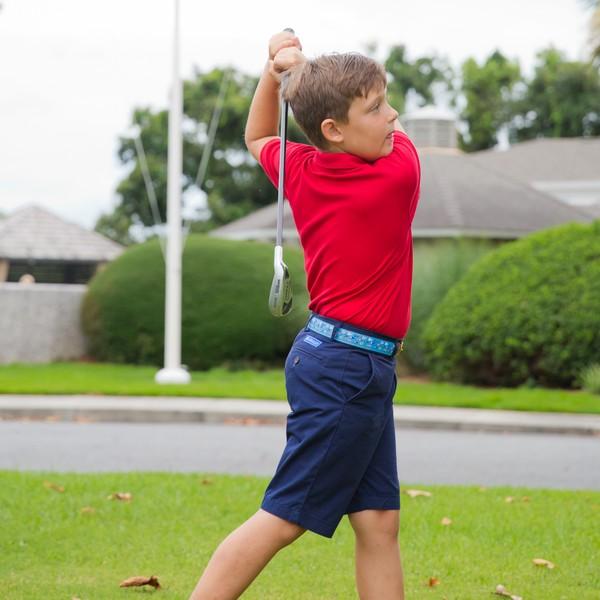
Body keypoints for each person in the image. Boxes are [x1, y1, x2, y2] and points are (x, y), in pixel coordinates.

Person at [188, 30, 420, 600]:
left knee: (378, 522)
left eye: (387, 101)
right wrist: (294, 67)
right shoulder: (398, 175)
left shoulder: (304, 169)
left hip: (341, 361)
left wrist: (278, 70)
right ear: (334, 130)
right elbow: (389, 137)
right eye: (376, 107)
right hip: (348, 369)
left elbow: (259, 133)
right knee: (284, 516)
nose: (393, 116)